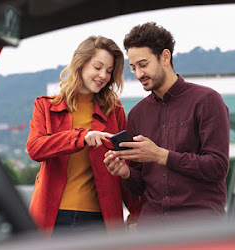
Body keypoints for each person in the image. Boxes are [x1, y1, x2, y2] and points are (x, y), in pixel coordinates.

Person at [104, 22, 230, 228]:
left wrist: (161, 155)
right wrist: (124, 172)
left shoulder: (207, 100)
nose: (138, 74)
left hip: (200, 227)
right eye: (133, 67)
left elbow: (217, 167)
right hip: (153, 229)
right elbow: (139, 186)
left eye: (143, 64)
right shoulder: (137, 114)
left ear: (165, 57)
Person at [26, 36, 142, 237]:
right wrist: (82, 137)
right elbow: (35, 149)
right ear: (80, 64)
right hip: (52, 220)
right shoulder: (46, 106)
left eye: (108, 71)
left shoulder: (114, 111)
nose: (103, 75)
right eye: (97, 67)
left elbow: (126, 165)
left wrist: (136, 212)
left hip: (100, 222)